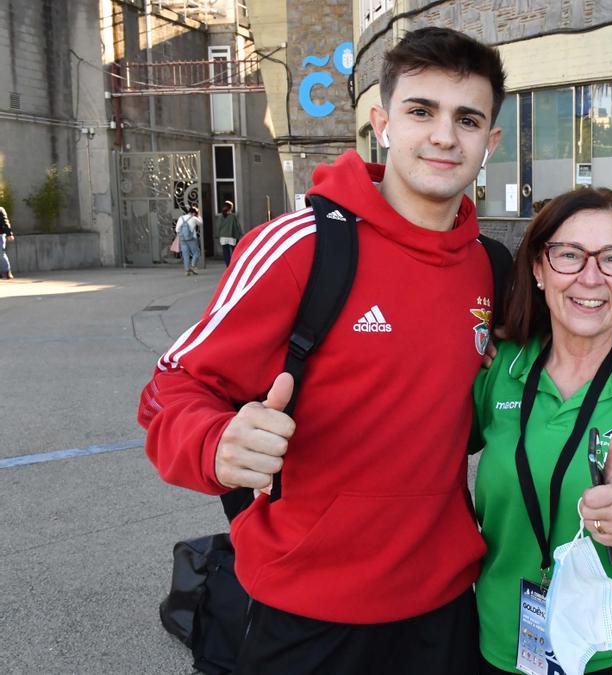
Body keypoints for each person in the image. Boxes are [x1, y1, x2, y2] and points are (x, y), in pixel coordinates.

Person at [137, 27, 507, 672]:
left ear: (490, 141)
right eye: (421, 111)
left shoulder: (489, 268)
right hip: (306, 608)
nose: (445, 136)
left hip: (444, 606)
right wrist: (213, 441)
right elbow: (174, 386)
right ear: (382, 122)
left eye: (467, 118)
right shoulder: (301, 245)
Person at [472, 187, 612, 675]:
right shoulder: (499, 369)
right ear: (538, 268)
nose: (591, 277)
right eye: (569, 254)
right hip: (502, 641)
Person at [215, 200, 243, 266]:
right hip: (231, 236)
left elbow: (218, 226)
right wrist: (240, 235)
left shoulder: (220, 216)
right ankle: (234, 264)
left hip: (223, 236)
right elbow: (237, 227)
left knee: (225, 252)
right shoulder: (233, 216)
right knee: (234, 251)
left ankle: (228, 265)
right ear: (231, 208)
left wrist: (217, 235)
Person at [175, 206, 202, 276]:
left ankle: (187, 271)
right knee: (196, 253)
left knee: (185, 255)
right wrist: (199, 216)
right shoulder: (194, 218)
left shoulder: (181, 218)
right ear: (194, 213)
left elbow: (177, 229)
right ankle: (193, 266)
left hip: (182, 239)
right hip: (192, 238)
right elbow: (201, 223)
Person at [0, 205, 13, 279]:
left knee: (1, 253)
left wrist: (9, 234)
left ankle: (7, 271)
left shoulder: (0, 210)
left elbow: (5, 221)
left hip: (0, 235)